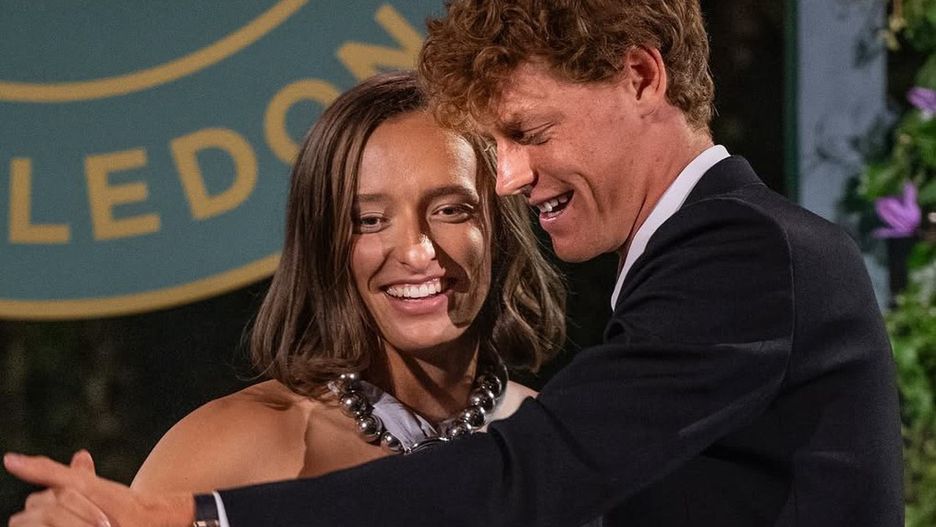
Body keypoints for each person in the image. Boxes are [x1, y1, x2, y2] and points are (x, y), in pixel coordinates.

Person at [4, 1, 903, 525]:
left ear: (641, 76)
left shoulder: (741, 251)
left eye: (530, 131)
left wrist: (200, 517)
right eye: (368, 218)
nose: (511, 177)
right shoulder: (241, 440)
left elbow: (524, 474)